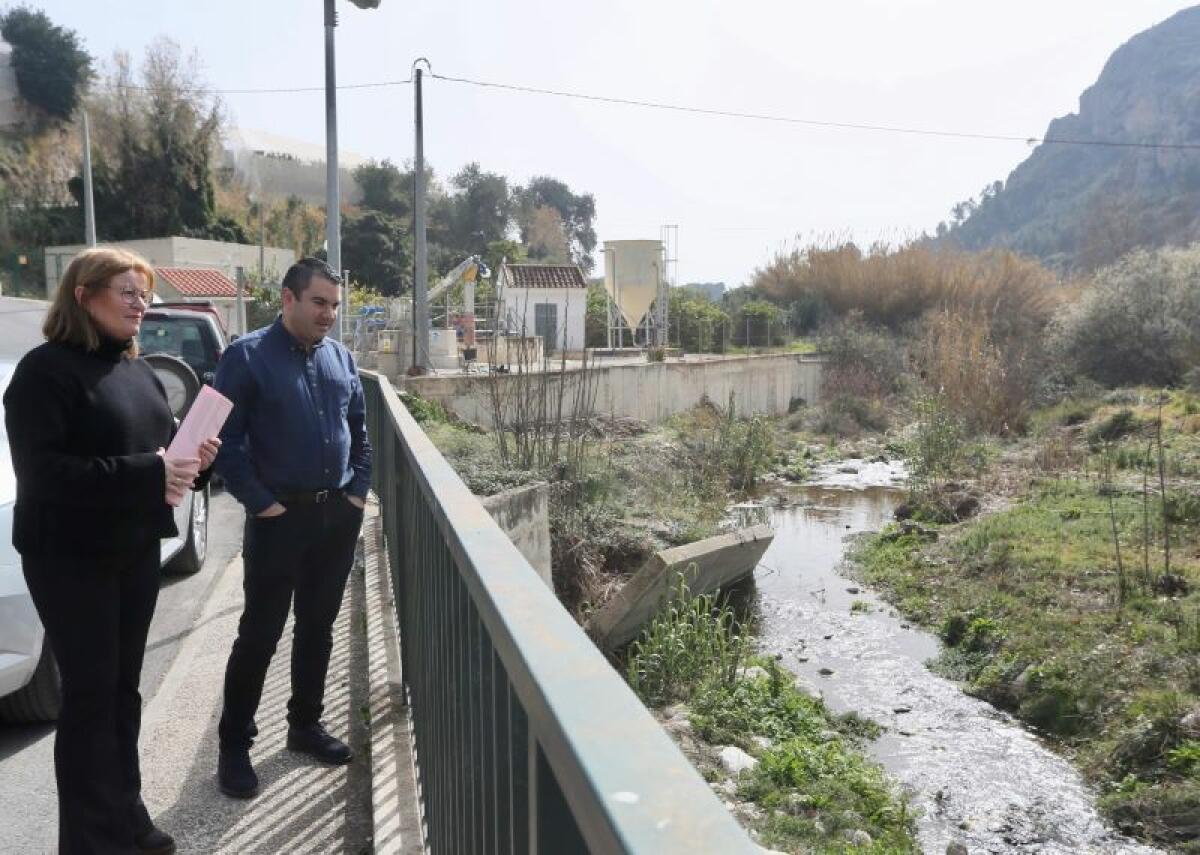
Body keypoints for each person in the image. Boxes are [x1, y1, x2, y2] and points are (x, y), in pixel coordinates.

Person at [4, 247, 219, 855]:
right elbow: (46, 475)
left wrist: (196, 461)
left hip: (131, 551)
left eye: (144, 293)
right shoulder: (43, 373)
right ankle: (88, 841)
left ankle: (126, 818)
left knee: (123, 690)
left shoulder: (137, 369)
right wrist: (150, 471)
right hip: (71, 558)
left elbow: (163, 457)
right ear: (83, 295)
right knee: (91, 695)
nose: (140, 303)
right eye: (127, 292)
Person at [213, 257, 372, 798]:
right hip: (278, 518)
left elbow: (361, 431)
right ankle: (234, 744)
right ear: (288, 299)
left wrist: (357, 491)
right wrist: (262, 505)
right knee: (260, 632)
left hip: (336, 517)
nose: (328, 314)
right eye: (318, 302)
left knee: (318, 627)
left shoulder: (342, 358)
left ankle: (305, 725)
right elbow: (224, 444)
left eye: (334, 304)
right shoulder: (246, 357)